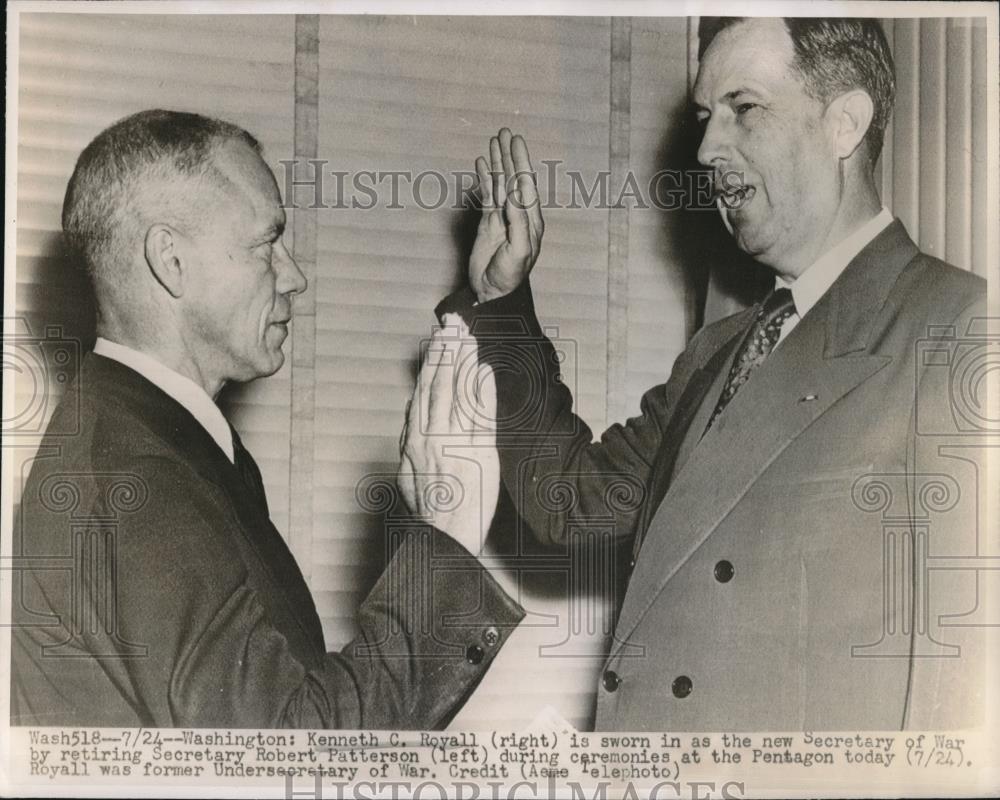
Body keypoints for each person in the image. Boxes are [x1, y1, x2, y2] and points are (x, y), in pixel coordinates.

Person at [418, 18, 989, 730]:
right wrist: (503, 302)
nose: (707, 148)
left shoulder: (960, 328)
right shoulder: (719, 352)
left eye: (743, 109)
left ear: (844, 124)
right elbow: (569, 501)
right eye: (703, 118)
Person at [10, 109, 522, 728]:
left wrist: (489, 301)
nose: (294, 275)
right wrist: (446, 537)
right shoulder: (135, 478)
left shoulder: (160, 440)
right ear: (170, 261)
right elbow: (285, 753)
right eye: (265, 244)